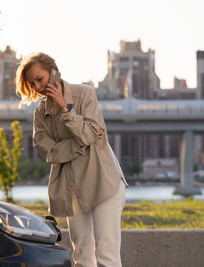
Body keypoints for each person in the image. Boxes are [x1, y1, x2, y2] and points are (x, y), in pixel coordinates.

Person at [15, 52, 128, 267]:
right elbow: (48, 151)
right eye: (32, 83)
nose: (38, 87)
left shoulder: (84, 94)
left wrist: (65, 108)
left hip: (104, 183)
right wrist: (82, 142)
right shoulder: (40, 113)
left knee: (107, 257)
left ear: (54, 72)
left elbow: (87, 135)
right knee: (82, 257)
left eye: (40, 79)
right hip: (72, 188)